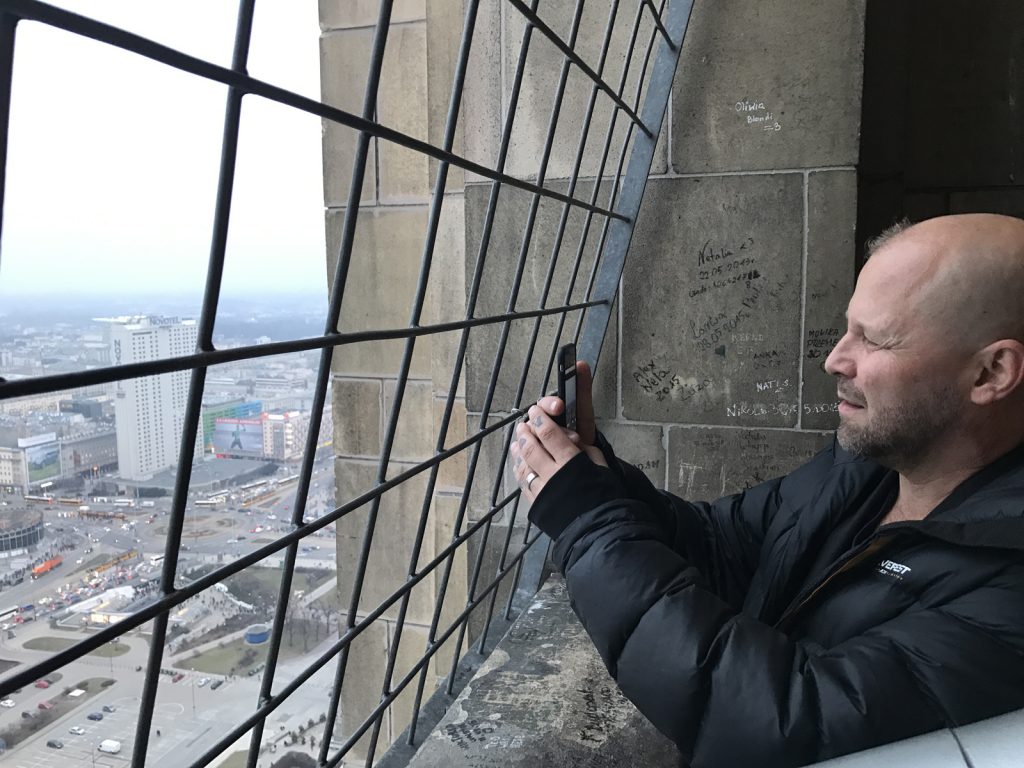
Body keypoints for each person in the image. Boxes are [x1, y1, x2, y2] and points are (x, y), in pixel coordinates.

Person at [509, 213, 1024, 767]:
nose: (835, 360)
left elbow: (785, 720)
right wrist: (606, 487)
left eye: (874, 339)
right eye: (847, 327)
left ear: (991, 374)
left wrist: (589, 524)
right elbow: (724, 545)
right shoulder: (866, 468)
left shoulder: (1007, 586)